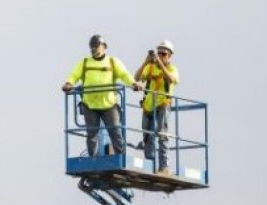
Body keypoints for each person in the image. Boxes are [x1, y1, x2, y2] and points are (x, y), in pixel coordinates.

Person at [61, 35, 141, 156]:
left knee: (115, 130)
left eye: (96, 46)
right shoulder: (85, 63)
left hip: (108, 104)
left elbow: (124, 74)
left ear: (103, 47)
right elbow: (74, 75)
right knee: (92, 134)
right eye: (92, 47)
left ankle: (121, 157)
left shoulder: (112, 62)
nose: (94, 49)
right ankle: (92, 158)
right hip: (90, 105)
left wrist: (133, 83)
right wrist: (68, 83)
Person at [134, 40, 179, 175]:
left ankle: (163, 167)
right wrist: (146, 62)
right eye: (158, 53)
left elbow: (172, 80)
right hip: (148, 106)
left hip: (162, 104)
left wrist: (160, 64)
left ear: (169, 56)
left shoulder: (172, 69)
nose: (160, 56)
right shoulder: (150, 67)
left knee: (162, 134)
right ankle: (150, 165)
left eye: (163, 54)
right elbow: (136, 77)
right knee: (147, 137)